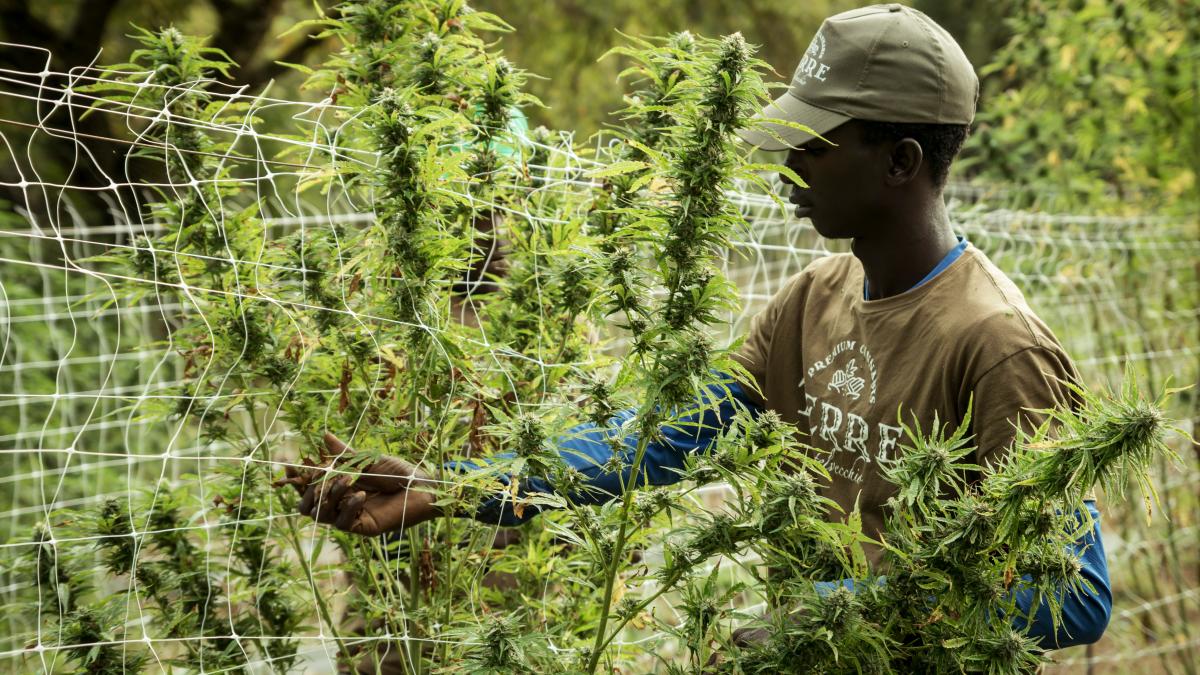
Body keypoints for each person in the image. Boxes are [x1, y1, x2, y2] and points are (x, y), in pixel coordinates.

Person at [286, 3, 1111, 652]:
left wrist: (842, 609)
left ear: (900, 162)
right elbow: (654, 437)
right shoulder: (808, 301)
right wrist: (448, 488)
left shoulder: (998, 344)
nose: (785, 162)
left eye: (812, 144)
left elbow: (1070, 595)